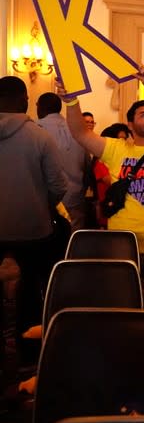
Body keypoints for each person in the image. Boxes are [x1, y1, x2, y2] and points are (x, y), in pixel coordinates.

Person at [56, 65, 144, 275]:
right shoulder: (116, 149)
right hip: (122, 243)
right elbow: (80, 133)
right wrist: (71, 101)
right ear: (130, 124)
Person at [0, 76, 67, 363]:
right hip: (33, 227)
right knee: (30, 289)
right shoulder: (40, 136)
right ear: (25, 100)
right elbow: (58, 185)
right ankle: (28, 351)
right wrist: (41, 203)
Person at [36, 92, 89, 230]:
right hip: (75, 197)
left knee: (48, 243)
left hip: (45, 201)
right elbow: (88, 167)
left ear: (40, 107)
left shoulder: (34, 129)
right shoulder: (78, 129)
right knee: (74, 241)